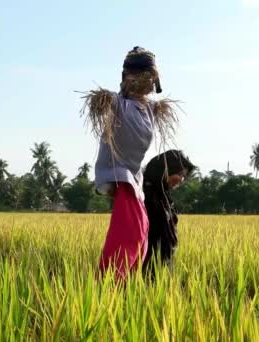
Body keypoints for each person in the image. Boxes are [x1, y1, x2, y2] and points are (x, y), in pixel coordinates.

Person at [81, 46, 179, 280]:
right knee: (130, 232)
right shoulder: (117, 103)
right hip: (120, 174)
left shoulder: (149, 109)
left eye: (150, 77)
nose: (145, 82)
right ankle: (110, 281)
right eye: (141, 76)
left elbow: (155, 110)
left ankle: (128, 282)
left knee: (143, 229)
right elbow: (104, 102)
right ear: (127, 78)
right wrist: (101, 100)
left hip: (135, 176)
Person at [141, 150, 195, 280]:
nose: (181, 180)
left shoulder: (163, 197)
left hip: (161, 269)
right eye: (180, 175)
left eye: (184, 177)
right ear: (165, 170)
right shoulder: (143, 197)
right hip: (145, 268)